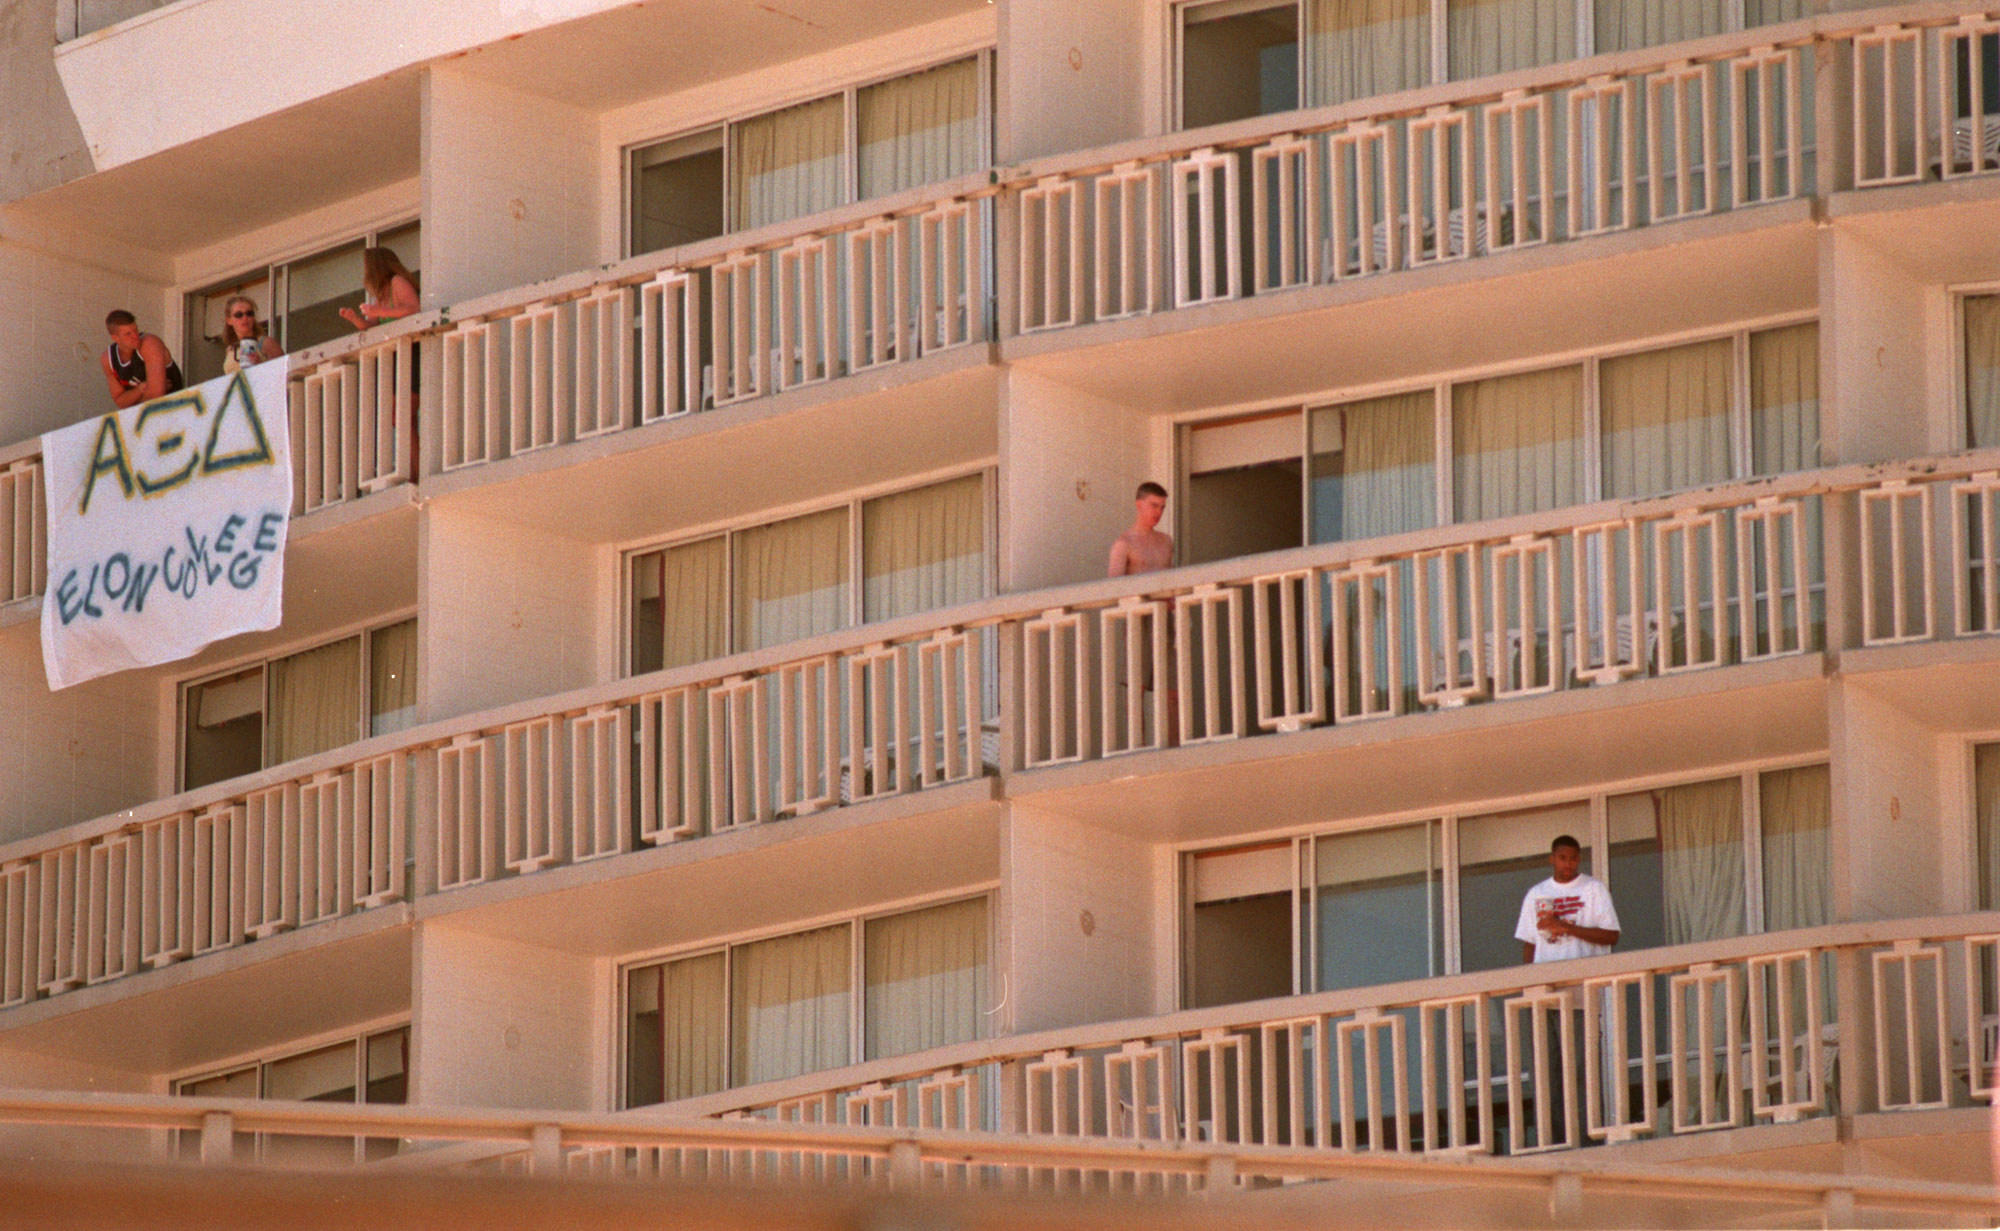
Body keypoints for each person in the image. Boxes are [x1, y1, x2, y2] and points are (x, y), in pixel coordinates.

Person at [1516, 835, 1620, 965]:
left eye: (1573, 858)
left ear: (1579, 860)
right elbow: (1530, 943)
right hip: (1549, 979)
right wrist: (1530, 980)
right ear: (1552, 859)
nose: (1568, 864)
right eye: (1562, 858)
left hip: (1589, 976)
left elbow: (1612, 936)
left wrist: (1566, 927)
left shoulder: (1593, 888)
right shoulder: (1536, 893)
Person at [99, 309, 185, 409]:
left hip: (174, 410)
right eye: (128, 334)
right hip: (145, 418)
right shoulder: (107, 359)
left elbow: (155, 396)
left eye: (135, 329)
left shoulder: (150, 343)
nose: (135, 336)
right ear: (115, 338)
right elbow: (120, 402)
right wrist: (141, 388)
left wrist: (132, 398)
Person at [339, 246, 420, 331]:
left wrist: (381, 311)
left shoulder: (397, 281)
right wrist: (354, 318)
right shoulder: (382, 293)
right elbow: (370, 325)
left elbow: (413, 309)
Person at [1108, 481, 1173, 577]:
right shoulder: (1124, 544)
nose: (1159, 511)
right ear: (1139, 505)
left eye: (1162, 507)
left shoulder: (1166, 541)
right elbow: (1114, 587)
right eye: (1154, 506)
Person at [218, 295, 284, 373]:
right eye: (239, 315)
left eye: (249, 313)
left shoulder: (266, 342)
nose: (245, 318)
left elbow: (282, 373)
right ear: (229, 320)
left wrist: (260, 365)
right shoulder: (230, 349)